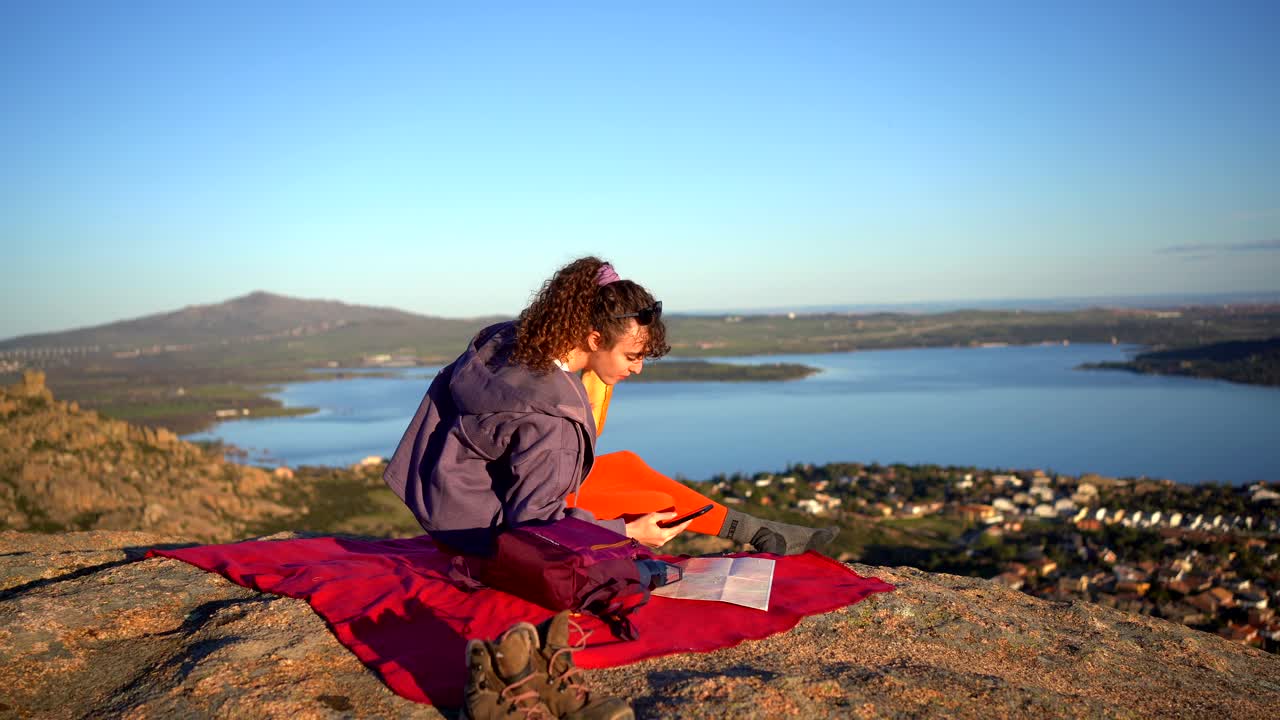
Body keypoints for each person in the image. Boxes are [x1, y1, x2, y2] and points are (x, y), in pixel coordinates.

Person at [383, 256, 836, 555]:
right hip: (480, 527)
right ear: (593, 338)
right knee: (653, 504)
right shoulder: (551, 416)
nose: (638, 369)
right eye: (632, 356)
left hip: (445, 489)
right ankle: (754, 533)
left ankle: (751, 529)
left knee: (627, 467)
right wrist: (628, 535)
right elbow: (536, 531)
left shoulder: (509, 339)